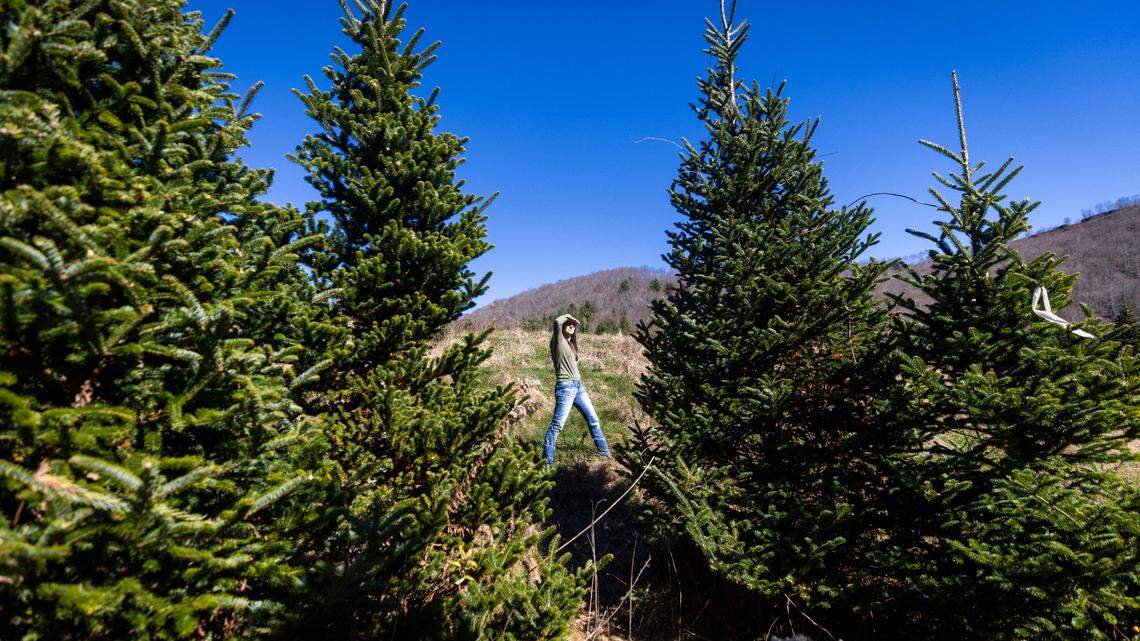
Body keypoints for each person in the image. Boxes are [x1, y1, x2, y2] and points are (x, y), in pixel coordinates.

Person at [542, 313, 611, 466]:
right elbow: (556, 321)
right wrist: (569, 316)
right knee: (557, 425)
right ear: (563, 327)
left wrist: (571, 321)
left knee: (593, 420)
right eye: (569, 324)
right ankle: (547, 463)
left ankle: (605, 455)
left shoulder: (570, 344)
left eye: (574, 325)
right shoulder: (558, 341)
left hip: (578, 387)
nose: (572, 326)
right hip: (565, 388)